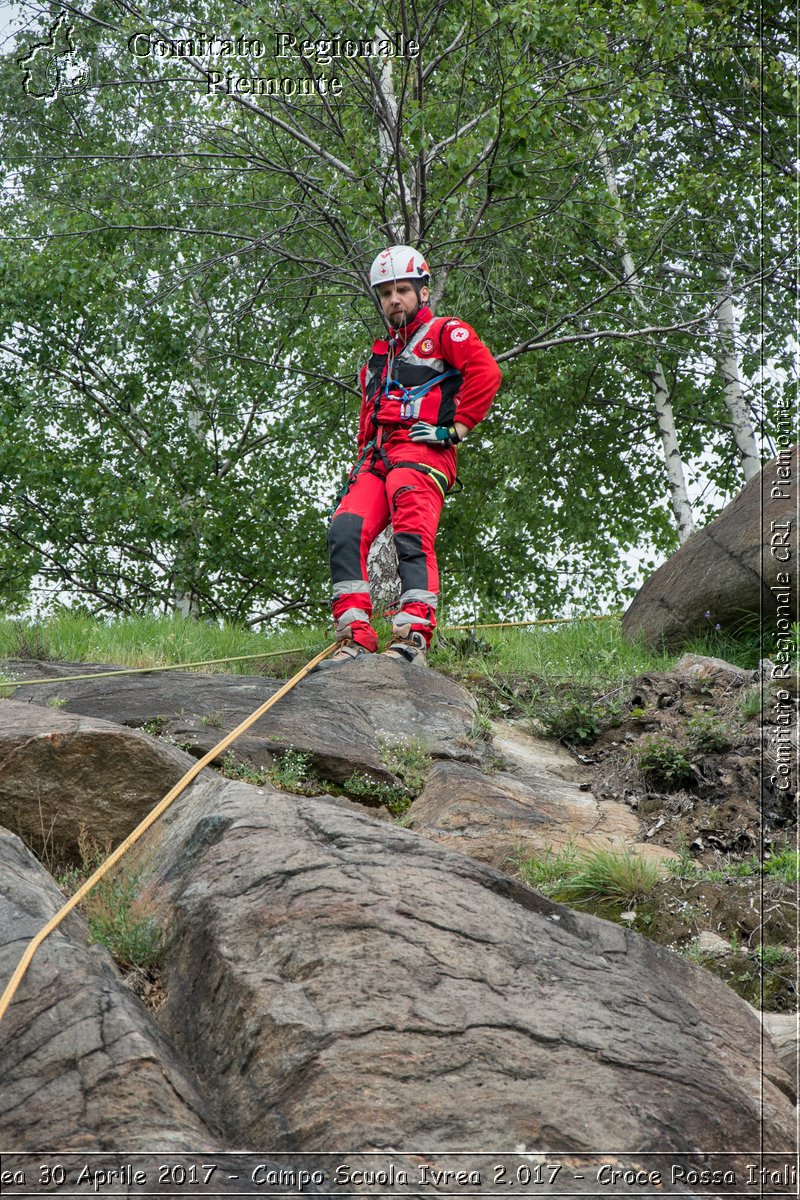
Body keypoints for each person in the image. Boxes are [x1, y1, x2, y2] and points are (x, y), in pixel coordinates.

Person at [327, 244, 502, 665]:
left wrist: (455, 429)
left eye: (403, 290)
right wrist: (358, 466)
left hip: (423, 453)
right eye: (386, 294)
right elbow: (367, 417)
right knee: (344, 530)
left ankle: (413, 636)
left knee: (411, 532)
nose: (394, 300)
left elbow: (487, 373)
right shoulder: (378, 358)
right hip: (377, 458)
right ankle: (355, 635)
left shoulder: (446, 332)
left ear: (423, 292)